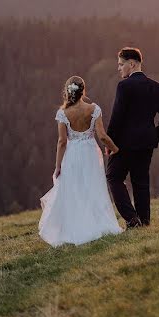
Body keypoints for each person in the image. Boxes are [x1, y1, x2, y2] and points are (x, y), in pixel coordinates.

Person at [38, 76, 123, 246]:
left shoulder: (63, 113)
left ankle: (76, 227)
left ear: (68, 92)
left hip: (72, 155)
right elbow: (102, 136)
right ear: (83, 90)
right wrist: (115, 149)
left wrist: (58, 166)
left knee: (75, 191)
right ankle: (97, 224)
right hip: (91, 154)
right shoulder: (94, 109)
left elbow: (62, 142)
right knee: (93, 188)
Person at [106, 47, 159, 227]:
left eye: (121, 64)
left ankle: (131, 218)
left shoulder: (124, 86)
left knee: (113, 177)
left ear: (132, 63)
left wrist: (109, 141)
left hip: (124, 144)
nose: (119, 68)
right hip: (147, 143)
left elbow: (117, 116)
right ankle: (144, 221)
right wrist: (156, 135)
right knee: (141, 182)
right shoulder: (157, 87)